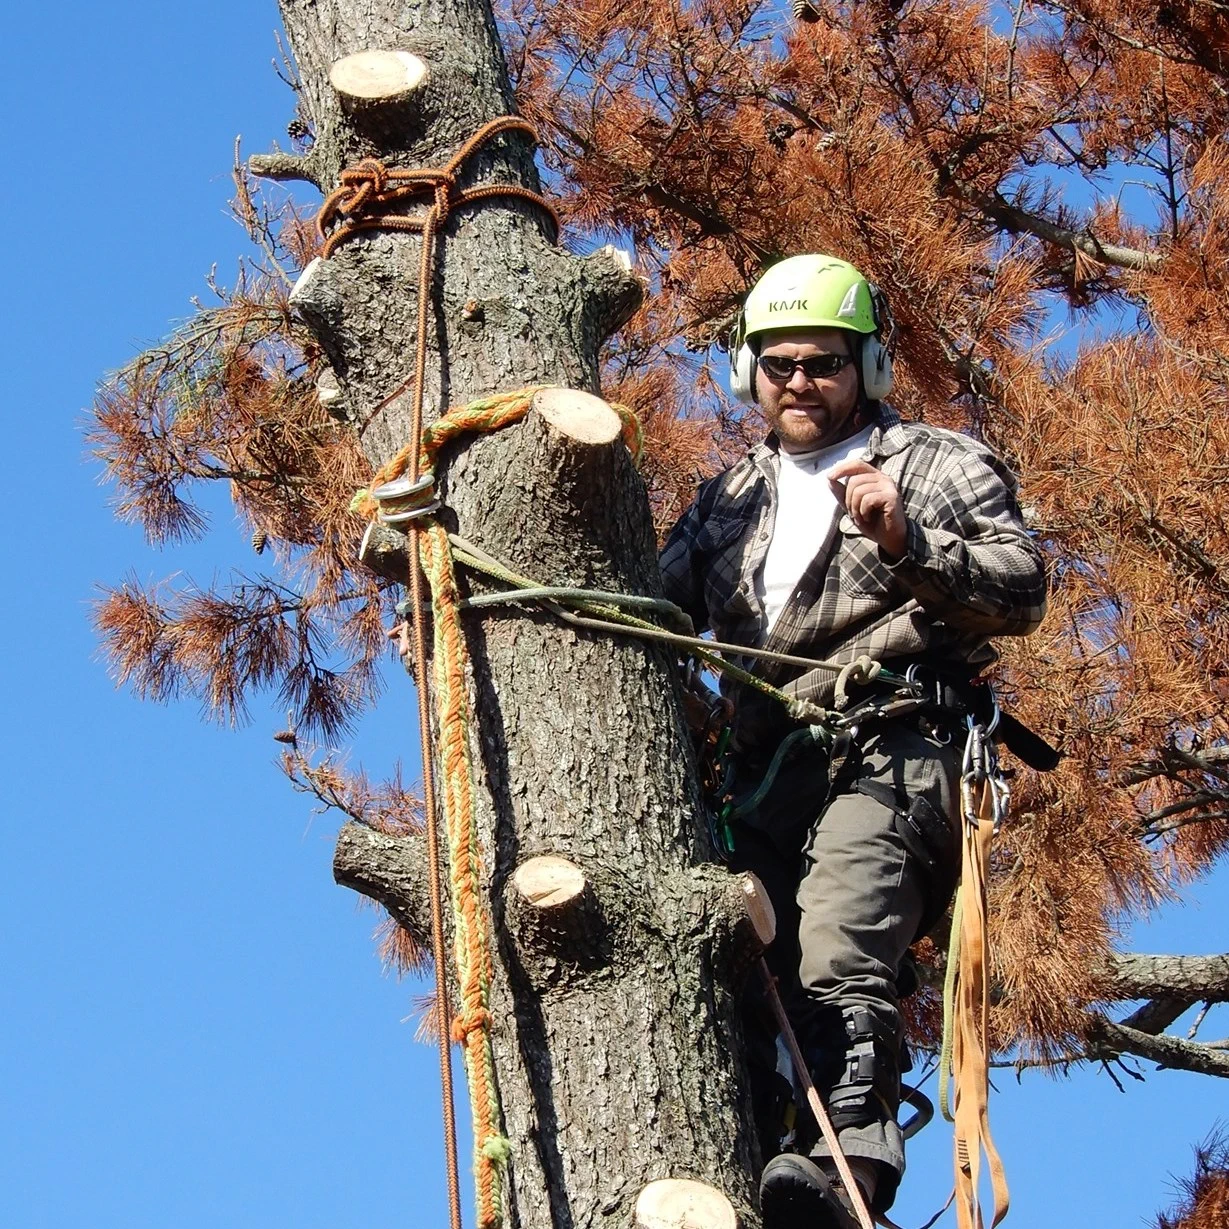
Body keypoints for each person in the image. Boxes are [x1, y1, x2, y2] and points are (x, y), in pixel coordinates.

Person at [658, 255, 1047, 1227]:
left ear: (866, 369)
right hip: (761, 778)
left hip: (889, 743)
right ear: (746, 372)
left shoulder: (932, 464)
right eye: (779, 362)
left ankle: (843, 1179)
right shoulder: (725, 503)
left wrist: (906, 537)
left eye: (823, 362)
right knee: (722, 965)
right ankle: (745, 1173)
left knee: (835, 946)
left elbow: (1020, 586)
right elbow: (642, 611)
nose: (799, 381)